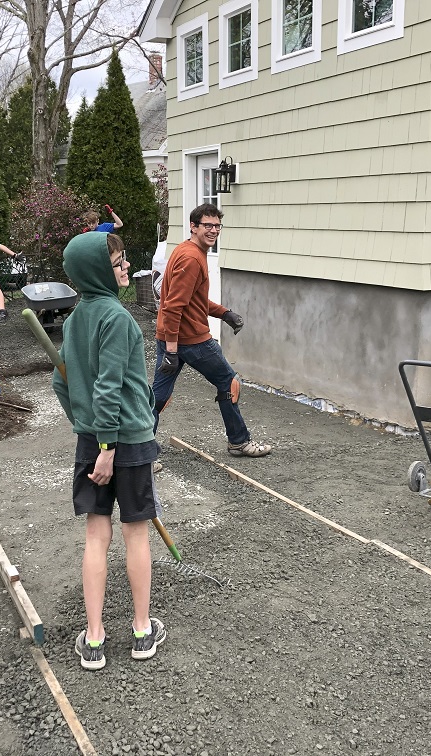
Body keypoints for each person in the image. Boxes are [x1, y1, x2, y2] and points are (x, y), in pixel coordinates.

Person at [52, 231, 167, 671]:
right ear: (98, 270)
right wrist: (106, 445)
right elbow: (108, 387)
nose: (126, 267)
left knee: (96, 536)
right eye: (119, 263)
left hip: (93, 439)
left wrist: (85, 426)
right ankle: (141, 631)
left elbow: (60, 383)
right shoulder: (116, 318)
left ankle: (95, 639)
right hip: (125, 441)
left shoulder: (74, 320)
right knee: (135, 533)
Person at [152, 203, 272, 458]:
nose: (214, 230)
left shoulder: (186, 250)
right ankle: (239, 441)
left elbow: (191, 299)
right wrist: (172, 350)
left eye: (217, 226)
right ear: (193, 226)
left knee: (159, 396)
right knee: (229, 383)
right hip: (191, 341)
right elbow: (173, 306)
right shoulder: (192, 258)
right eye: (207, 225)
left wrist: (224, 313)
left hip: (170, 336)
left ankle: (138, 451)